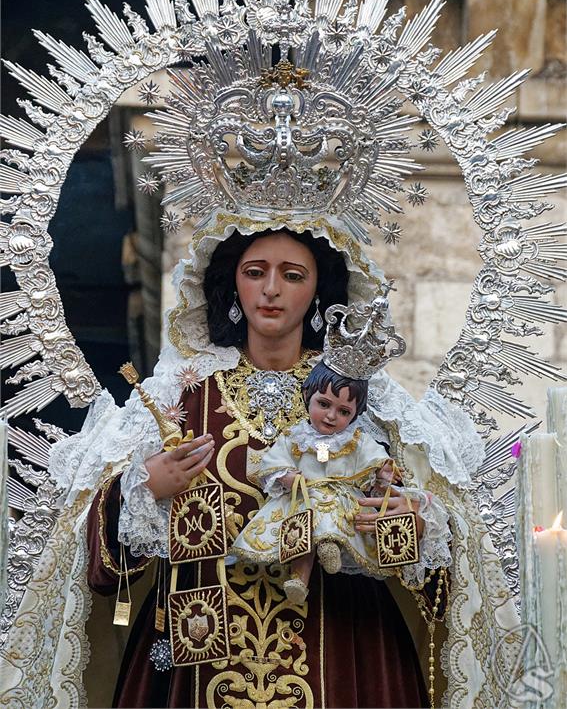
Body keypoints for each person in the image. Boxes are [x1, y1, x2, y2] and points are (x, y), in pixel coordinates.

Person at [0, 216, 522, 709]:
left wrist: (400, 524)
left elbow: (442, 558)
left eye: (292, 276)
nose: (271, 289)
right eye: (256, 273)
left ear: (318, 294)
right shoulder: (179, 395)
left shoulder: (367, 403)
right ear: (234, 287)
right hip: (198, 649)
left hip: (340, 648)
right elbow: (92, 556)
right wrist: (143, 486)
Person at [231, 323, 402, 605]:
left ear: (355, 415)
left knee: (329, 517)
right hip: (302, 496)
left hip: (339, 499)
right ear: (308, 397)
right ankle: (299, 579)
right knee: (301, 534)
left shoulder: (355, 439)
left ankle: (330, 546)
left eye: (344, 411)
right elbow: (274, 461)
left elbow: (372, 458)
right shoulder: (296, 436)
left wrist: (384, 469)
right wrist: (285, 477)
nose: (331, 416)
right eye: (324, 404)